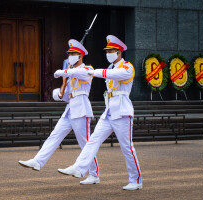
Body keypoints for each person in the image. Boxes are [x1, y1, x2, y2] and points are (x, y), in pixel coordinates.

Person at [57, 35, 142, 190]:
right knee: (93, 141)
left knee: (127, 148)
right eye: (107, 50)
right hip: (109, 111)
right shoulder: (110, 68)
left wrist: (95, 72)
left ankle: (136, 180)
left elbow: (115, 76)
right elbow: (109, 75)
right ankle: (80, 168)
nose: (108, 53)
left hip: (122, 112)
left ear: (119, 52)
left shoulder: (127, 67)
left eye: (111, 50)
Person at [18, 39, 100, 185]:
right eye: (69, 54)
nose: (70, 56)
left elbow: (78, 73)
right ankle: (38, 161)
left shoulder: (87, 69)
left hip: (81, 109)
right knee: (54, 136)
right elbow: (66, 95)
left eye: (73, 54)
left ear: (80, 56)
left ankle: (94, 174)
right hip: (70, 109)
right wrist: (58, 93)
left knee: (86, 144)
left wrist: (63, 72)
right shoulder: (70, 73)